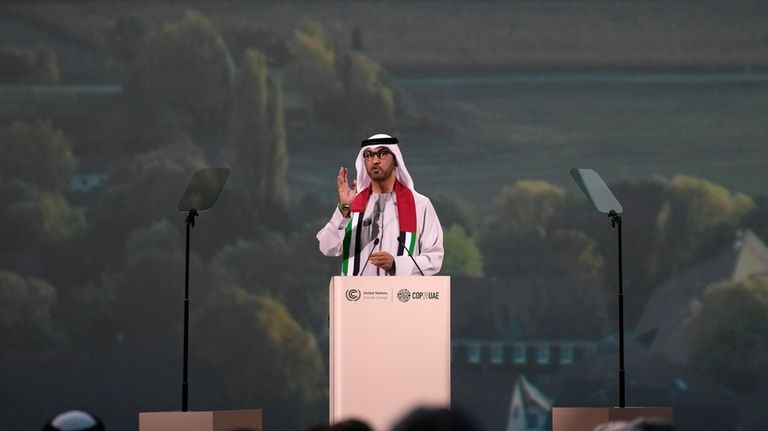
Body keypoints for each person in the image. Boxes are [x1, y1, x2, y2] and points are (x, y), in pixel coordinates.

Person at [317, 133, 443, 276]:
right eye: (368, 155)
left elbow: (434, 258)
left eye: (382, 154)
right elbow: (327, 248)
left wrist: (396, 264)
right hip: (356, 295)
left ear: (396, 160)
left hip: (401, 295)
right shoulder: (352, 205)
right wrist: (343, 209)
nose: (375, 160)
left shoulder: (420, 205)